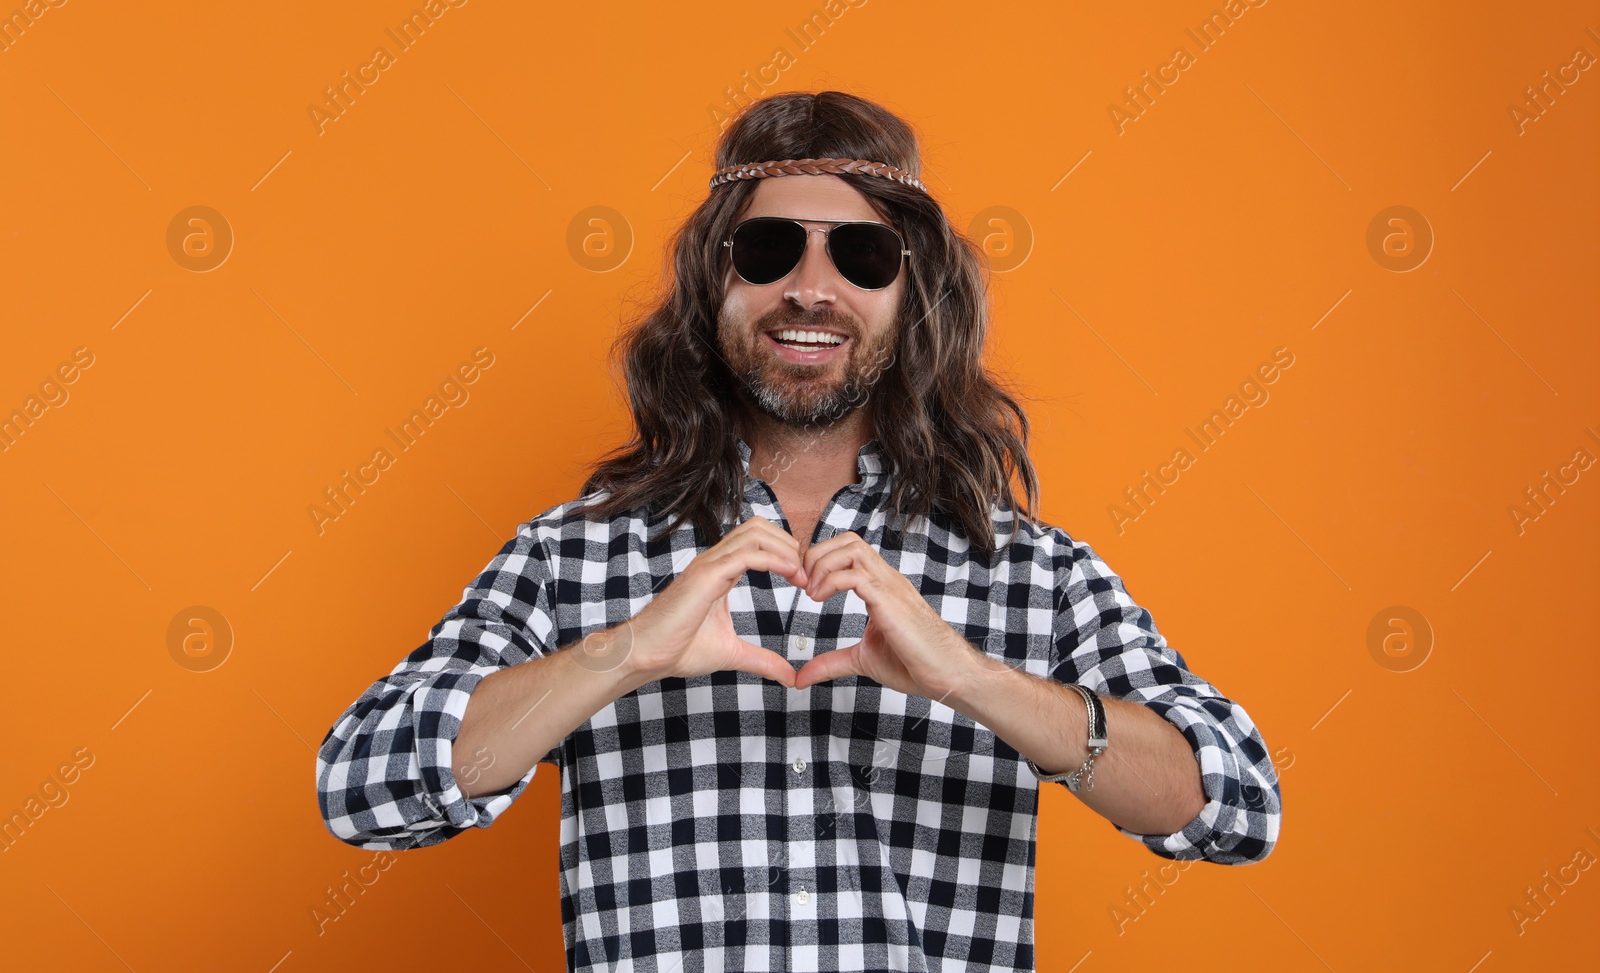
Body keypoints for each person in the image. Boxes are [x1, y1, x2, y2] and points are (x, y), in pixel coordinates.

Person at [315, 90, 1281, 972]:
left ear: (913, 294)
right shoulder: (575, 555)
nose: (810, 289)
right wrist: (617, 656)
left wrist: (973, 678)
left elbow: (1234, 803)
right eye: (768, 249)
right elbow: (362, 791)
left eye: (861, 256)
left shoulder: (1030, 570)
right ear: (714, 282)